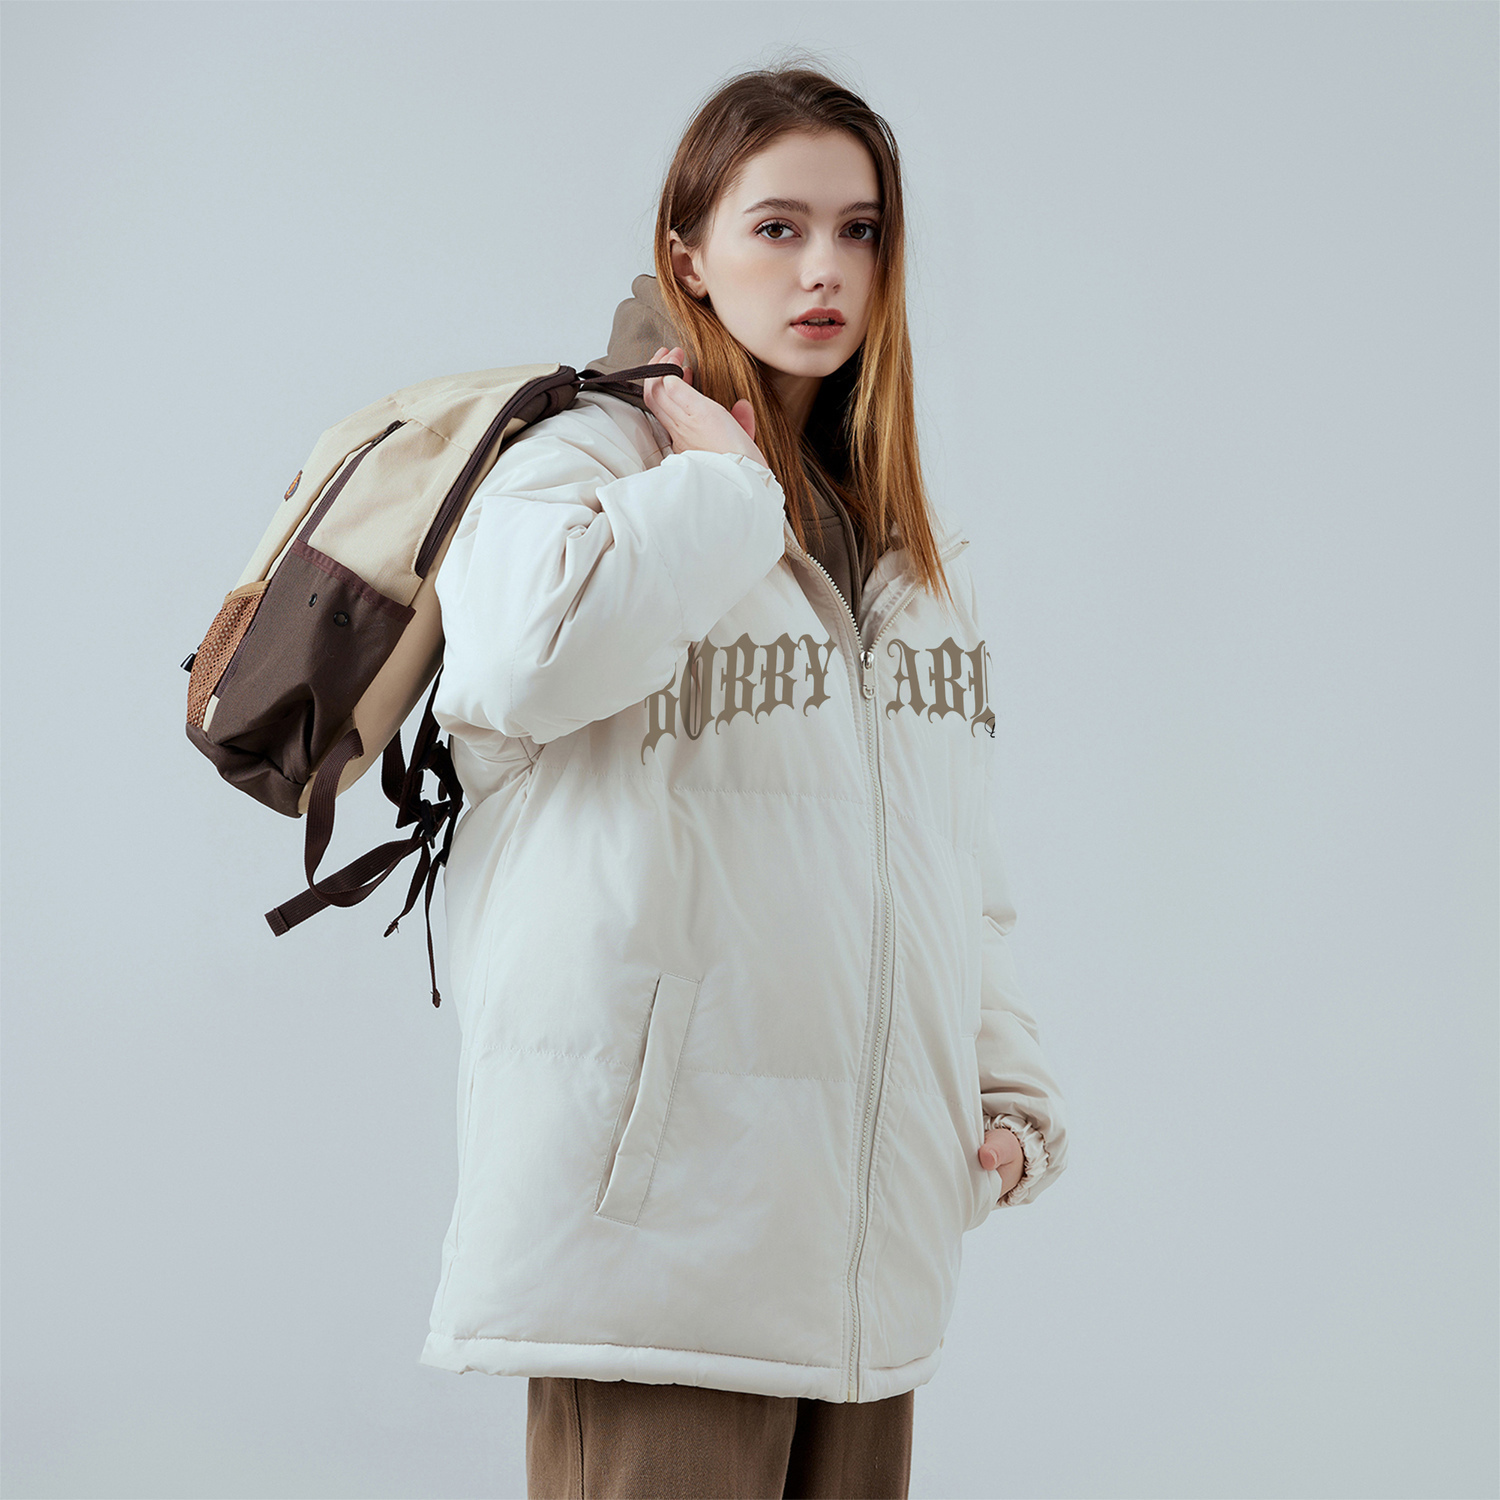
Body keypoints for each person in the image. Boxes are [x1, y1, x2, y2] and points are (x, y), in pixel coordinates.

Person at [419, 60, 1069, 1500]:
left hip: (863, 1267)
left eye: (861, 230)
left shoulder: (902, 545)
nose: (825, 267)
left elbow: (950, 865)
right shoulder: (582, 456)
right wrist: (719, 487)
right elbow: (521, 664)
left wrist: (1004, 1103)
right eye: (778, 227)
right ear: (688, 254)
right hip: (656, 1256)